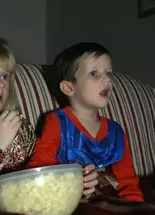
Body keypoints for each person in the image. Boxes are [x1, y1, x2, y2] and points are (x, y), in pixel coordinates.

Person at [0, 36, 98, 207]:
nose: (0, 84)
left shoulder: (20, 127)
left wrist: (77, 180)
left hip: (34, 210)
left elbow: (44, 175)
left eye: (5, 76)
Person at [28, 42, 144, 202]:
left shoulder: (116, 132)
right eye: (94, 73)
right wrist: (69, 180)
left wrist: (138, 211)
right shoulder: (57, 122)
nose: (106, 80)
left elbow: (128, 182)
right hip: (68, 201)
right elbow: (38, 167)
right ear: (69, 88)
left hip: (109, 202)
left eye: (109, 73)